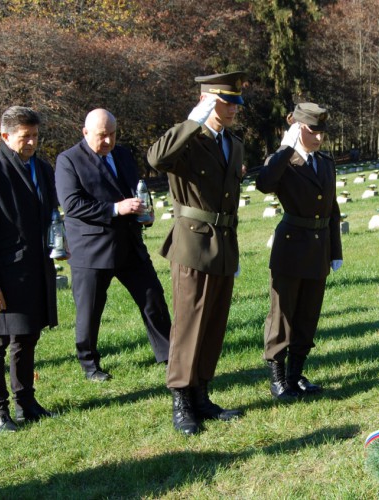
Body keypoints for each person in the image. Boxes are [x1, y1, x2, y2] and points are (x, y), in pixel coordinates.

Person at [147, 71, 247, 435]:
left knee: (214, 324)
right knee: (189, 325)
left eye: (235, 103)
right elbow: (157, 158)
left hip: (224, 243)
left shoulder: (233, 144)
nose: (232, 109)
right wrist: (192, 122)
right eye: (225, 102)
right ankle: (181, 400)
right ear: (207, 102)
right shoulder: (188, 140)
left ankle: (202, 393)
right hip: (192, 244)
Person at [56, 108, 171, 382]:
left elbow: (135, 190)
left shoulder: (123, 154)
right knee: (90, 310)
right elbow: (72, 204)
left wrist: (145, 213)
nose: (108, 141)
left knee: (153, 298)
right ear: (85, 133)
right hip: (91, 249)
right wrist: (116, 209)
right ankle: (89, 364)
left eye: (112, 134)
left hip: (129, 244)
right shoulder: (68, 160)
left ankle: (170, 354)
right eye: (101, 135)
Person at [0, 106, 59, 432]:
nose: (31, 142)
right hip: (2, 277)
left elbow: (49, 215)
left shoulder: (42, 169)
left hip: (34, 271)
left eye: (35, 135)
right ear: (5, 136)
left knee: (27, 338)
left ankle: (26, 402)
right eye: (24, 136)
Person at [255, 103, 342, 399]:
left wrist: (335, 250)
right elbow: (264, 183)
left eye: (322, 132)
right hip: (291, 247)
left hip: (319, 248)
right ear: (297, 129)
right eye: (312, 131)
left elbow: (332, 208)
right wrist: (285, 148)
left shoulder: (325, 162)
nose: (319, 138)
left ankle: (295, 375)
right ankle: (278, 378)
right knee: (282, 315)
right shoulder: (283, 160)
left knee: (308, 315)